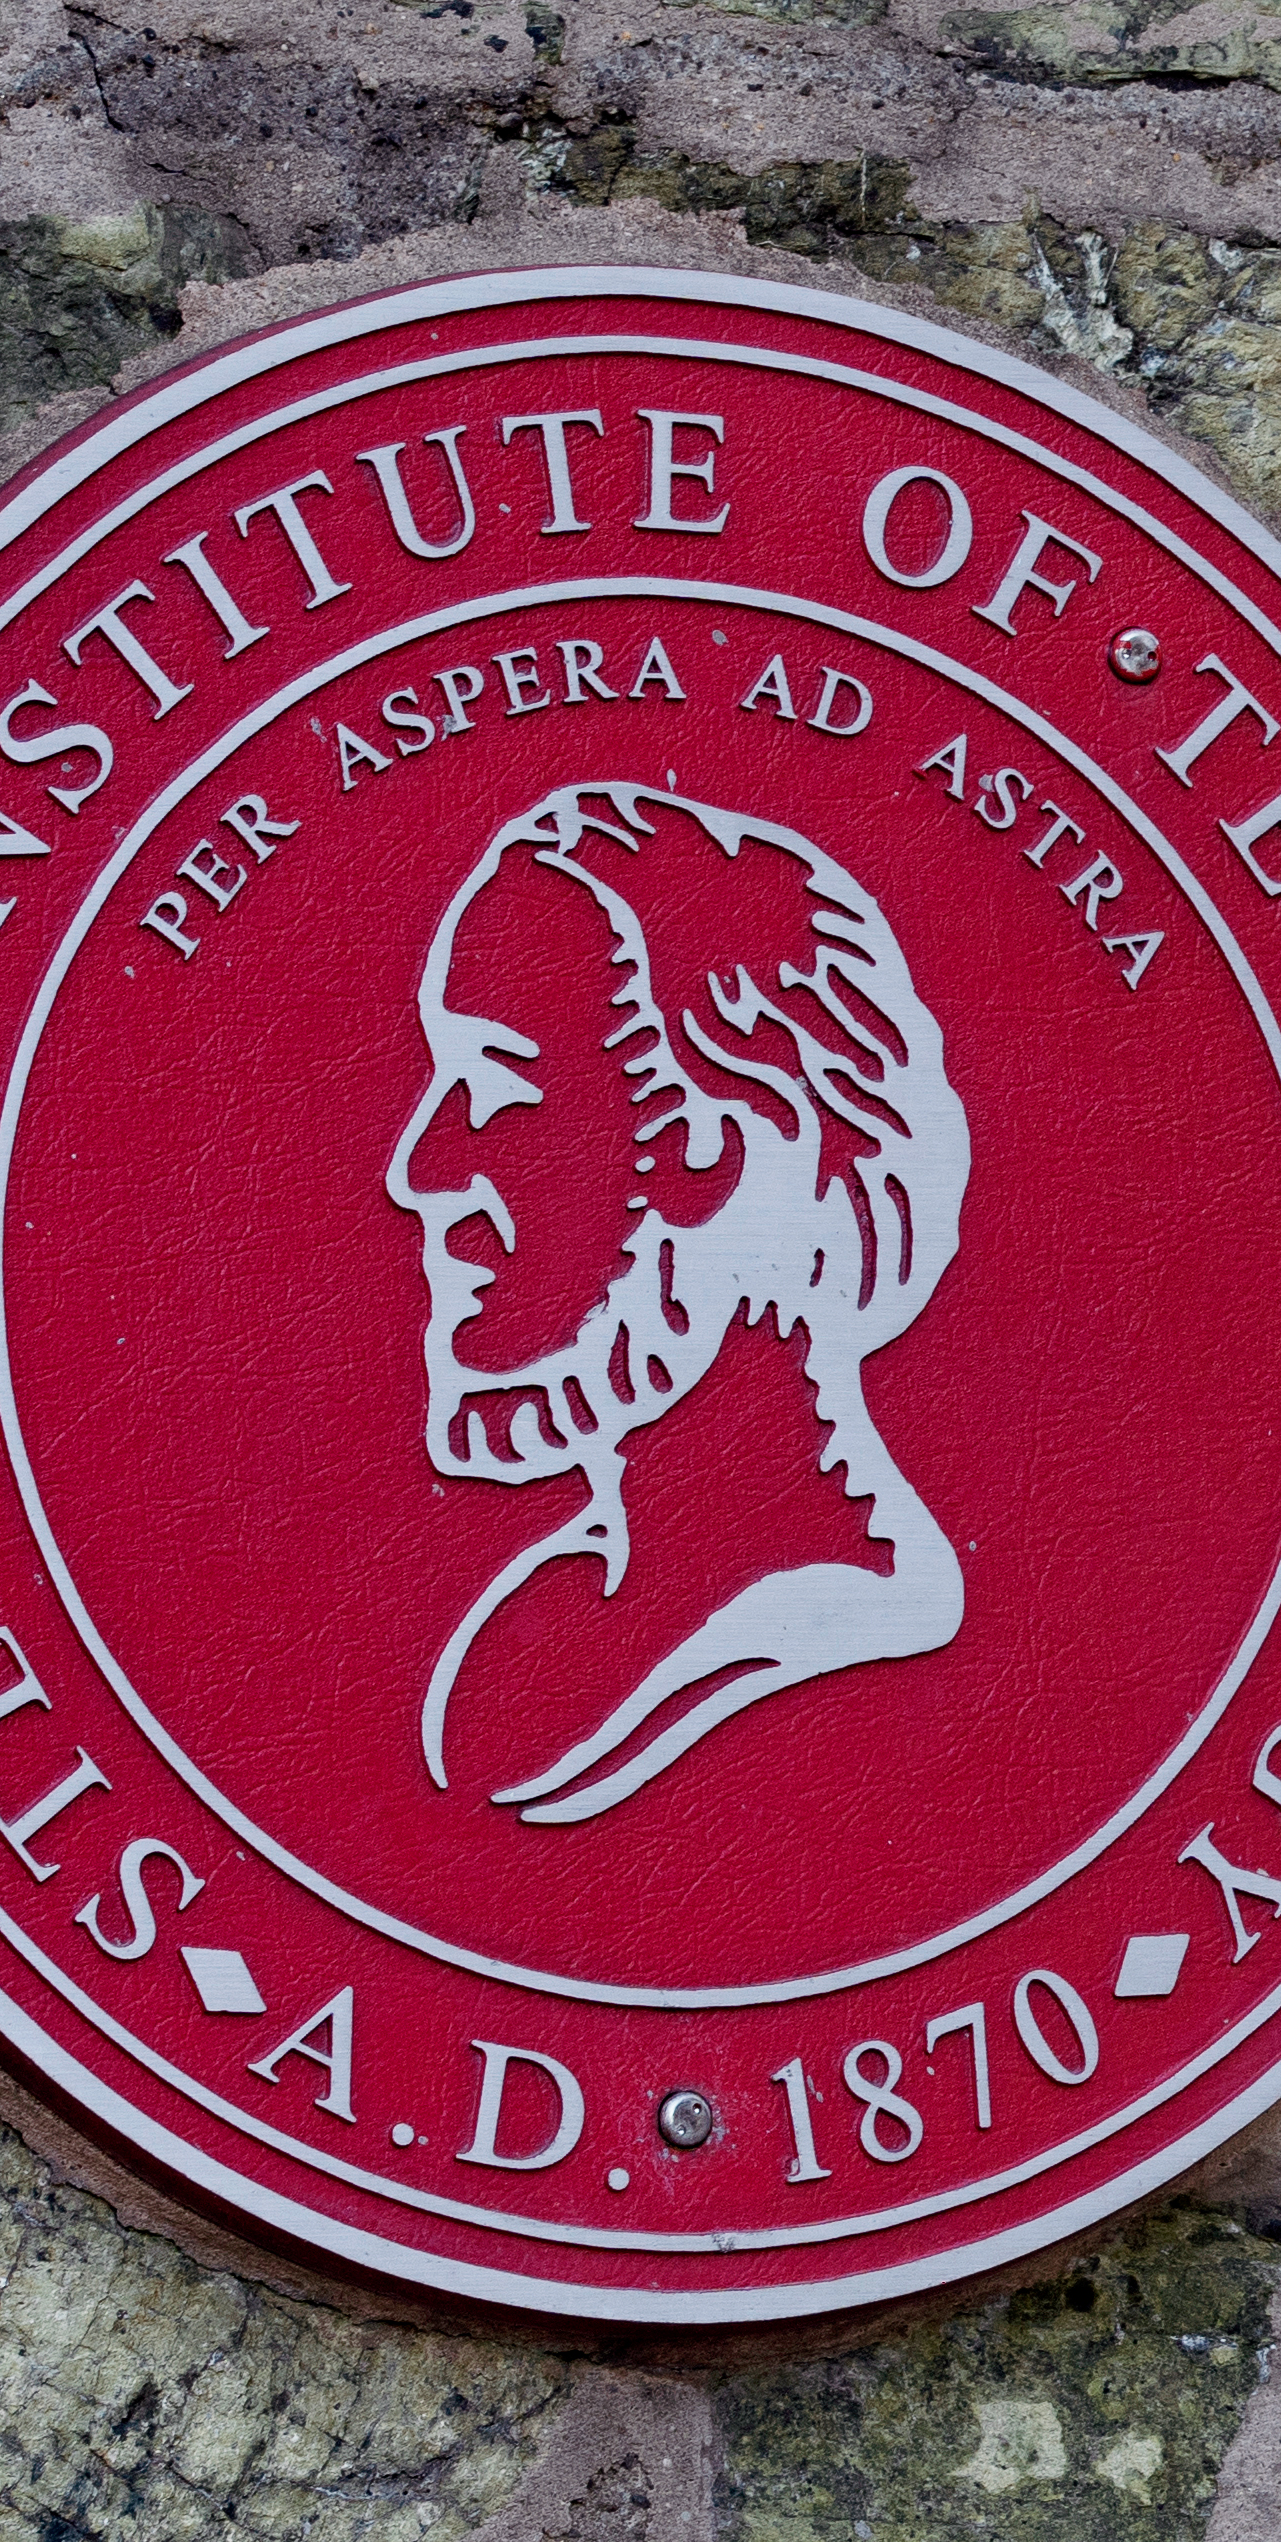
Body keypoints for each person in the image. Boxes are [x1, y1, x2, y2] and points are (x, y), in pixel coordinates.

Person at [390, 779, 971, 1826]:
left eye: (498, 1085)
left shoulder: (823, 1636)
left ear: (714, 1151)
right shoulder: (545, 1628)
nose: (423, 1169)